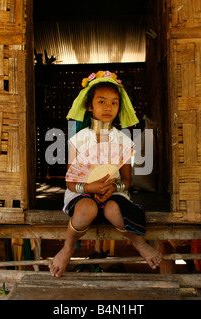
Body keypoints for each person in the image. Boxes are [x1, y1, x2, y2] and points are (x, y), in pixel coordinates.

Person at [49, 71, 162, 277]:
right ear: (89, 106)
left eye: (114, 102)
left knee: (115, 211)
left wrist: (113, 188)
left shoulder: (123, 141)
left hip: (114, 194)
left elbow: (127, 181)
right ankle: (68, 247)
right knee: (85, 210)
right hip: (82, 193)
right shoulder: (78, 140)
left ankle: (140, 243)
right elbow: (71, 181)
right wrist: (89, 188)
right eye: (102, 101)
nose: (109, 107)